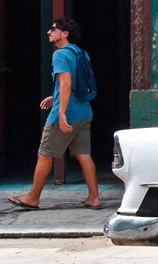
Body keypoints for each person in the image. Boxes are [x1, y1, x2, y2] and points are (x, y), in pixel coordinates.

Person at [7, 17, 101, 210]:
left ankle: (33, 197)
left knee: (45, 154)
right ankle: (94, 198)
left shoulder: (60, 55)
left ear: (64, 33)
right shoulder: (80, 52)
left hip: (65, 115)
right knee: (84, 154)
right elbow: (73, 83)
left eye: (53, 29)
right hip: (84, 112)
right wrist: (54, 96)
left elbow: (66, 83)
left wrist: (62, 112)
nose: (48, 32)